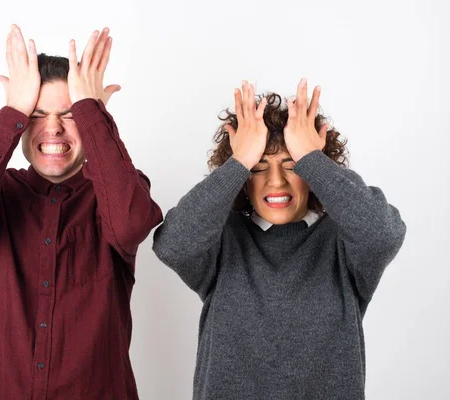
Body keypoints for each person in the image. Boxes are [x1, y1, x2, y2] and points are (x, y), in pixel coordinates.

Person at [0, 25, 162, 400]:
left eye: (70, 115)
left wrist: (91, 111)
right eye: (36, 114)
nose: (53, 128)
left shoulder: (119, 190)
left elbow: (131, 225)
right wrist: (12, 111)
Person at [152, 79, 406, 399]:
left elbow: (383, 234)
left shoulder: (342, 241)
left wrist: (312, 158)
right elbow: (172, 244)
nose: (276, 181)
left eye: (293, 166)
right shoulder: (221, 239)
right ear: (243, 181)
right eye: (259, 168)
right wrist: (239, 161)